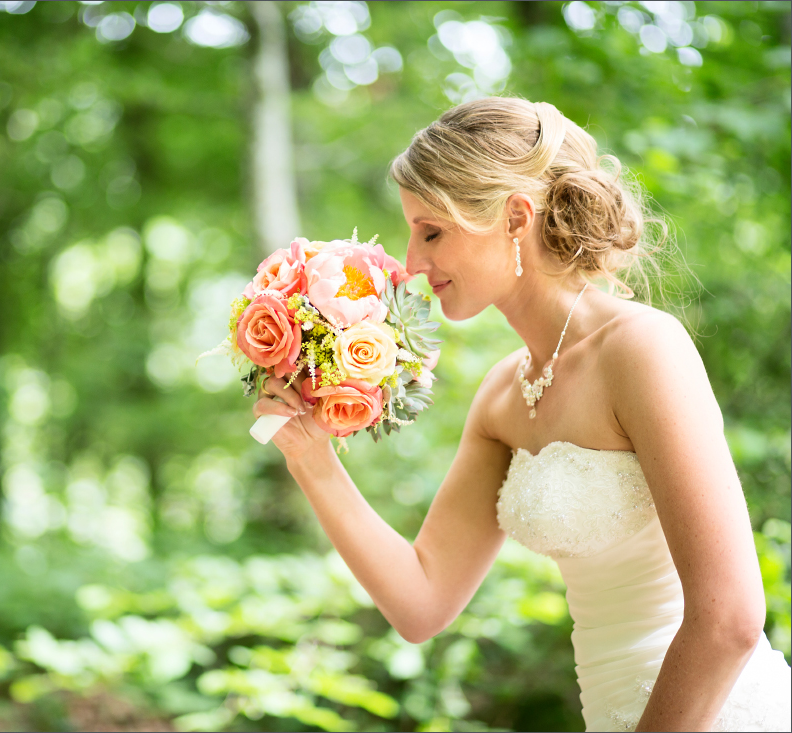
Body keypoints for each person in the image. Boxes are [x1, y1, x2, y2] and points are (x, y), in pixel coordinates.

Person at [253, 97, 791, 732]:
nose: (413, 264)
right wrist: (311, 457)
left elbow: (728, 617)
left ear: (514, 218)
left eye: (432, 231)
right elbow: (421, 604)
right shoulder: (504, 394)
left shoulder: (643, 349)